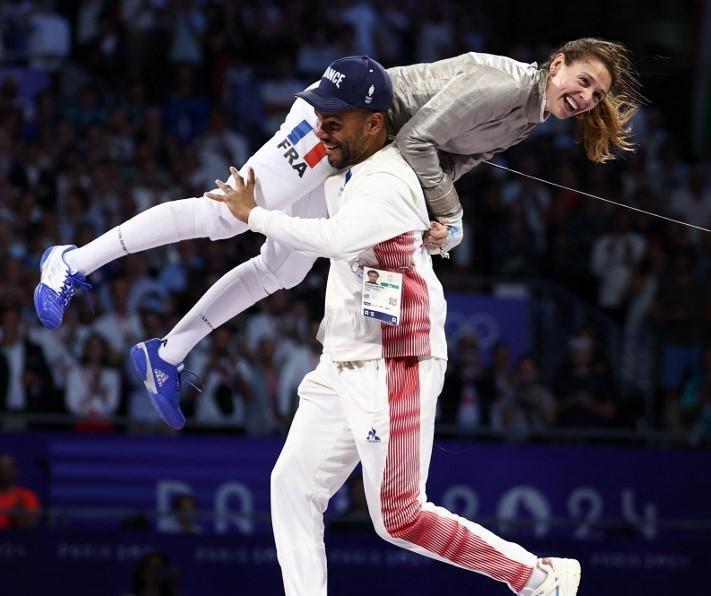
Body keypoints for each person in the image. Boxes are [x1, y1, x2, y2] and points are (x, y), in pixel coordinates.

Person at [33, 39, 642, 428]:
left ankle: (165, 355)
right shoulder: (507, 82)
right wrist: (450, 212)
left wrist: (433, 214)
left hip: (363, 154)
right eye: (581, 79)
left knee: (284, 267)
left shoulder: (526, 113)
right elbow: (421, 139)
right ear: (556, 62)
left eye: (596, 93)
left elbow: (452, 161)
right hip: (339, 122)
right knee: (224, 215)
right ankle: (72, 261)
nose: (585, 97)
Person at [205, 58, 580, 596]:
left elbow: (334, 240)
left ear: (375, 123)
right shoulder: (346, 168)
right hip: (344, 357)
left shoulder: (389, 181)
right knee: (292, 486)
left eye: (336, 119)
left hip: (395, 360)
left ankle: (537, 577)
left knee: (400, 515)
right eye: (320, 115)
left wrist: (254, 215)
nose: (323, 128)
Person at [0, 453, 42, 530]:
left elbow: (32, 526)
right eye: (1, 469)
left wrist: (19, 518)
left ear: (15, 471)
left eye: (8, 469)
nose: (4, 473)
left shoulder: (28, 496)